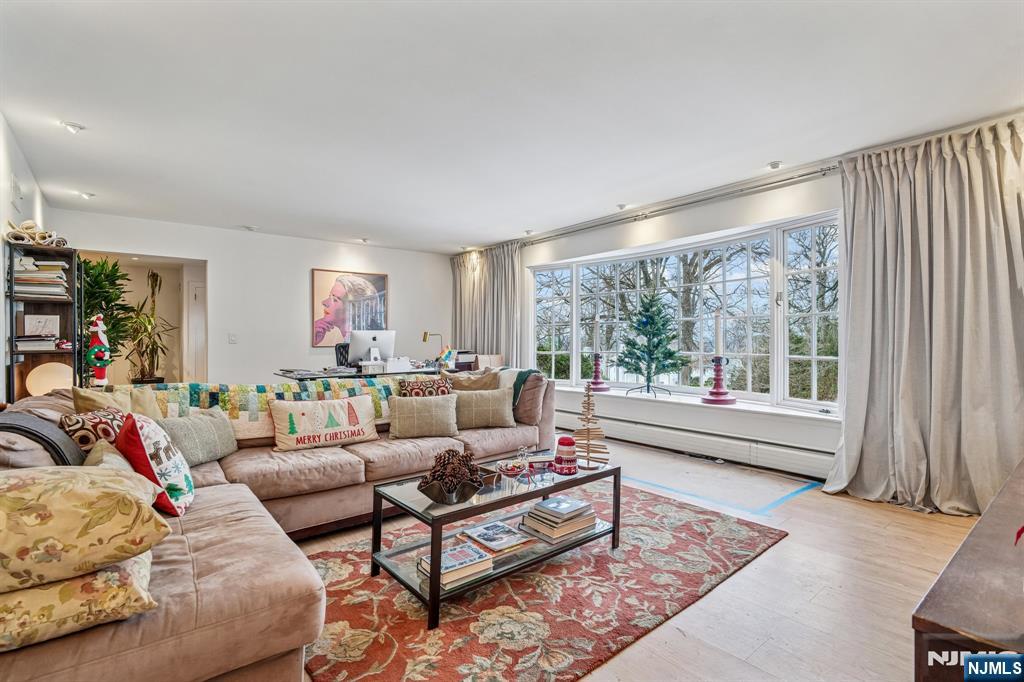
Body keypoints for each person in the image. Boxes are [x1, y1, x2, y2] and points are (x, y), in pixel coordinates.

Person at [313, 273, 380, 346]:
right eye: (329, 297)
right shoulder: (353, 343)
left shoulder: (362, 344)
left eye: (335, 299)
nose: (324, 302)